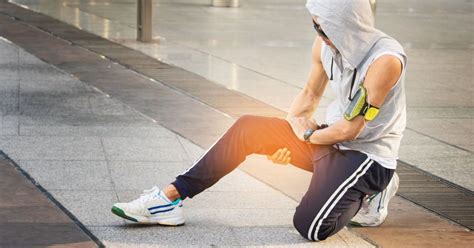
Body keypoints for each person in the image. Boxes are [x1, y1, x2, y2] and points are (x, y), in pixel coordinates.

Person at [111, 0, 407, 241]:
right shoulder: (324, 46)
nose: (318, 32)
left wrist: (304, 140)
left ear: (347, 27)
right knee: (248, 127)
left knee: (312, 227)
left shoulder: (385, 61)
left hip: (368, 156)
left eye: (323, 27)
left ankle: (375, 191)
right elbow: (307, 96)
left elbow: (350, 128)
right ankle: (168, 198)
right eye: (315, 24)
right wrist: (291, 132)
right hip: (327, 138)